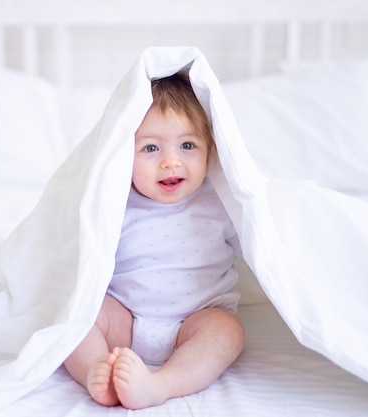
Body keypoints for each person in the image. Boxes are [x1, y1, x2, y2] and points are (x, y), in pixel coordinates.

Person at [63, 72, 245, 410]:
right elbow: (79, 249)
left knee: (228, 332)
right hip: (124, 319)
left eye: (187, 145)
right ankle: (96, 371)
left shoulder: (221, 201)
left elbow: (259, 246)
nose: (171, 161)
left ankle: (161, 384)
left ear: (212, 149)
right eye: (150, 148)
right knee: (78, 313)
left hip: (196, 320)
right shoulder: (115, 202)